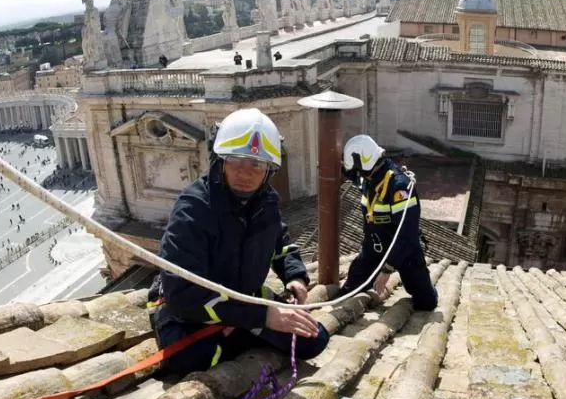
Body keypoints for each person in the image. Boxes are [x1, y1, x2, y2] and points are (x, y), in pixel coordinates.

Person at [150, 108, 330, 374]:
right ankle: (245, 332)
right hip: (195, 311)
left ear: (269, 170)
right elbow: (182, 296)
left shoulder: (266, 202)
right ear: (220, 160)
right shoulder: (193, 210)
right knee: (188, 360)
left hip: (246, 301)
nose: (246, 173)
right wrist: (262, 318)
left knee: (315, 339)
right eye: (236, 160)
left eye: (256, 164)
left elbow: (279, 241)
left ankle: (241, 332)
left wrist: (295, 276)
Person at [339, 135, 438, 311]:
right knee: (348, 291)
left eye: (358, 170)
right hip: (373, 249)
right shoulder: (369, 178)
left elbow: (406, 234)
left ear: (364, 164)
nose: (358, 175)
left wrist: (387, 269)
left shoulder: (399, 186)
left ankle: (425, 289)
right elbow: (351, 173)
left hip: (404, 251)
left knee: (426, 302)